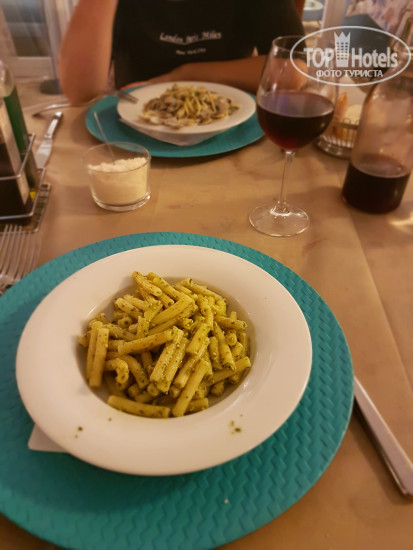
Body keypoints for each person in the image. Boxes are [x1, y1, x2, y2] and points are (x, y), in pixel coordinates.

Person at [59, 0, 305, 104]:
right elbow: (79, 90)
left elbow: (292, 70)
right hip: (134, 131)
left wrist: (184, 75)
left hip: (233, 127)